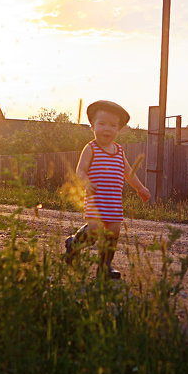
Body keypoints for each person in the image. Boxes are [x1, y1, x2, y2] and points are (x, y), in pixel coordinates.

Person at [63, 99, 151, 278]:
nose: (107, 129)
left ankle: (105, 266)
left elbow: (129, 172)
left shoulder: (119, 151)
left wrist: (140, 188)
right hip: (96, 200)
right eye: (101, 123)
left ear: (118, 130)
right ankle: (74, 243)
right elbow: (80, 170)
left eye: (113, 125)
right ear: (92, 126)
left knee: (114, 232)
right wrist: (86, 183)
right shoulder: (91, 148)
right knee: (94, 230)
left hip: (113, 202)